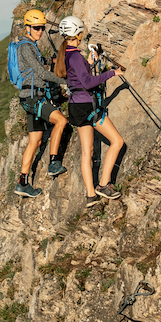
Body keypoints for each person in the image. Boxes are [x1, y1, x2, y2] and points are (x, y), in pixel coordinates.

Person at [55, 15, 124, 208]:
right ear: (77, 33)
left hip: (76, 107)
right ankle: (103, 184)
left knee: (87, 152)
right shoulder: (75, 55)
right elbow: (87, 82)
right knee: (117, 141)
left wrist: (90, 63)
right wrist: (112, 73)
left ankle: (91, 196)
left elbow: (79, 76)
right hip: (87, 105)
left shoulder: (67, 54)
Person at [11, 9, 70, 198]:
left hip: (29, 98)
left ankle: (22, 182)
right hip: (34, 97)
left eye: (42, 28)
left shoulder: (27, 46)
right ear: (28, 27)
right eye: (36, 28)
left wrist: (49, 60)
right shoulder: (26, 47)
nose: (40, 31)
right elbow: (41, 73)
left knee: (35, 141)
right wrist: (67, 82)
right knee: (61, 121)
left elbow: (34, 64)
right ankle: (53, 163)